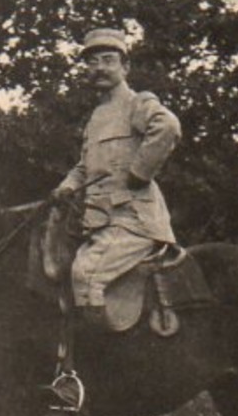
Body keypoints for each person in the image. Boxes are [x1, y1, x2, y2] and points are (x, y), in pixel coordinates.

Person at [52, 28, 181, 322]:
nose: (99, 68)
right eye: (92, 62)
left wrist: (139, 173)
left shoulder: (137, 103)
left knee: (86, 274)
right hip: (99, 222)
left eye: (108, 60)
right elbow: (85, 167)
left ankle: (102, 361)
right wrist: (67, 187)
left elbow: (168, 127)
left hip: (134, 221)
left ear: (125, 67)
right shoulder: (97, 117)